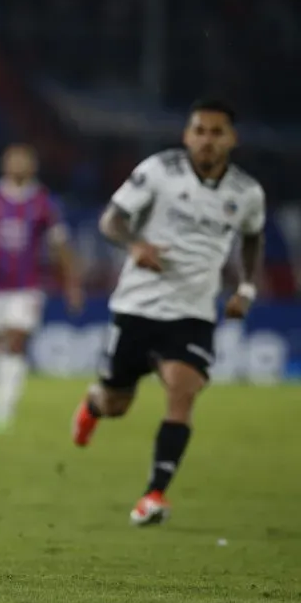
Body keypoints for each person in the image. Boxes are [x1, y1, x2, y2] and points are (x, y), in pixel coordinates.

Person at [72, 99, 265, 526]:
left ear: (231, 139)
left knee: (183, 392)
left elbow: (252, 237)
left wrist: (246, 287)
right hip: (137, 306)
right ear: (187, 134)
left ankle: (153, 495)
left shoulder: (247, 193)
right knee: (117, 402)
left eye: (217, 132)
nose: (207, 140)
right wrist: (136, 245)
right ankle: (93, 404)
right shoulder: (159, 171)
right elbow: (112, 221)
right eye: (200, 130)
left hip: (193, 313)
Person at [0, 143, 83, 432]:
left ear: (33, 166)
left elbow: (60, 246)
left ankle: (2, 413)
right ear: (4, 164)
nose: (17, 164)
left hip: (27, 287)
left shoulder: (43, 203)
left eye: (23, 160)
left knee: (15, 342)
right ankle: (1, 384)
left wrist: (72, 284)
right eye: (13, 159)